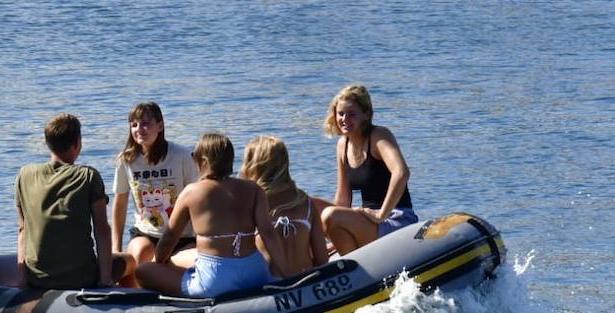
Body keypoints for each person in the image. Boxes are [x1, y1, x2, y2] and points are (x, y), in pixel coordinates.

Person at [136, 133, 285, 298]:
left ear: (204, 161)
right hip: (255, 272)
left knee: (143, 270)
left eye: (195, 157)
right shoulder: (254, 189)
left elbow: (171, 236)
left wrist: (159, 263)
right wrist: (287, 275)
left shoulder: (192, 192)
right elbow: (268, 233)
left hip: (216, 279)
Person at [15, 113, 134, 290]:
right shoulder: (88, 176)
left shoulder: (25, 174)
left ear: (47, 143)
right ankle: (127, 307)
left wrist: (23, 281)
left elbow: (23, 230)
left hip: (36, 279)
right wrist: (104, 282)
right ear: (77, 143)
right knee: (129, 261)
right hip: (81, 278)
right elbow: (102, 230)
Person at [319, 85, 417, 255]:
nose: (344, 119)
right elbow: (343, 199)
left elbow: (401, 173)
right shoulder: (343, 145)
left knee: (330, 215)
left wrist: (381, 215)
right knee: (307, 203)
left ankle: (353, 265)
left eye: (351, 114)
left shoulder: (379, 136)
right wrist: (335, 232)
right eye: (341, 114)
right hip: (368, 220)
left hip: (396, 220)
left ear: (366, 114)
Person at [111, 102, 198, 267]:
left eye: (145, 123)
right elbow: (120, 204)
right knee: (140, 253)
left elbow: (197, 200)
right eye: (134, 125)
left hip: (182, 235)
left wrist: (203, 237)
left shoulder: (182, 155)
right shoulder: (126, 160)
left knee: (192, 261)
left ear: (160, 126)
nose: (139, 129)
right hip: (146, 233)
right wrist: (116, 248)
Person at [240, 135, 329, 279]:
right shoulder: (305, 202)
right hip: (305, 280)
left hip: (270, 287)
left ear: (252, 165)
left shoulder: (249, 204)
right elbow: (322, 260)